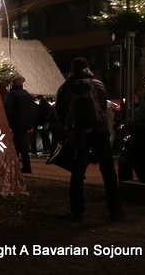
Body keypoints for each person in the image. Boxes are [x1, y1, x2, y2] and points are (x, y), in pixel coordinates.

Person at [55, 57, 123, 222]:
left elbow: (60, 111)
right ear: (88, 68)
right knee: (108, 170)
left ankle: (77, 211)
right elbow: (102, 107)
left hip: (78, 133)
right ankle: (115, 209)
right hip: (100, 131)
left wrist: (70, 127)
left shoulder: (65, 87)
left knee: (78, 171)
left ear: (72, 70)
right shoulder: (98, 84)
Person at [5, 76, 36, 173]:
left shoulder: (12, 94)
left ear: (13, 83)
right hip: (25, 123)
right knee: (18, 144)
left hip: (16, 122)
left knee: (21, 145)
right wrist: (31, 123)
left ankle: (26, 167)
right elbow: (32, 110)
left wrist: (7, 121)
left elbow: (8, 109)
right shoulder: (27, 94)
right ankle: (14, 165)